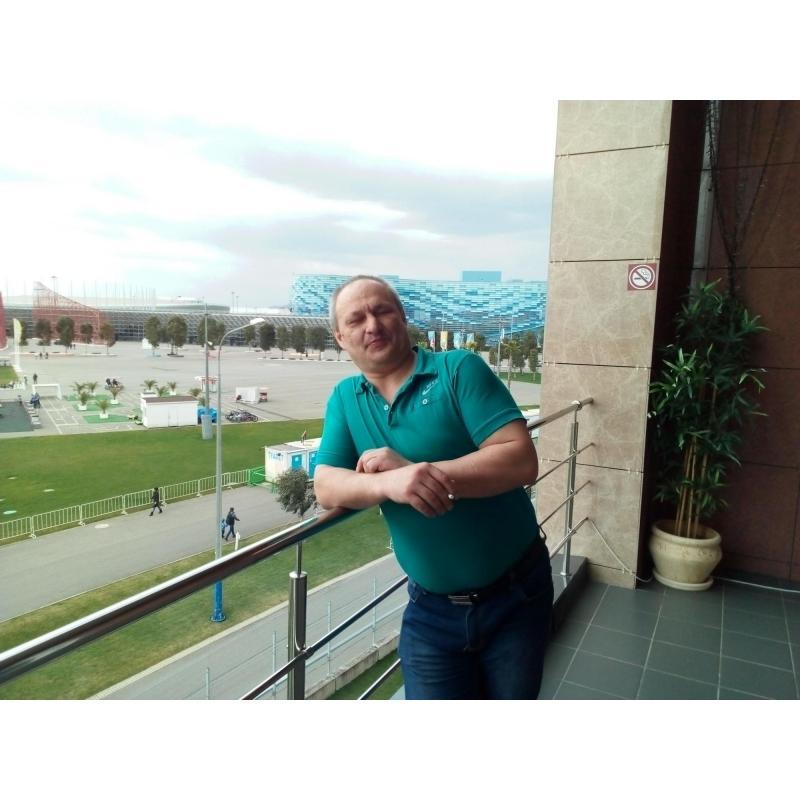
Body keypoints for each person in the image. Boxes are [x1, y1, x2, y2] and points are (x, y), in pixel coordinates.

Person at [314, 275, 553, 700]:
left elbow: (520, 459)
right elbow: (325, 485)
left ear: (402, 317)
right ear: (340, 337)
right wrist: (392, 482)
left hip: (515, 597)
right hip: (430, 611)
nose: (373, 325)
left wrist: (418, 472)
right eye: (356, 319)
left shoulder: (458, 369)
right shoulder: (346, 398)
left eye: (382, 310)